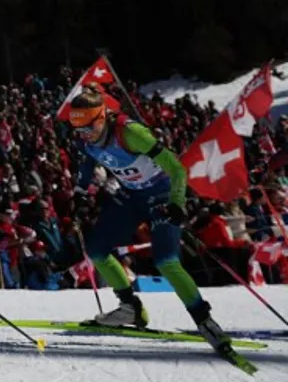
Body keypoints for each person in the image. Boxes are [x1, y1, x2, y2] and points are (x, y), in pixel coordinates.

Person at [64, 84, 233, 356]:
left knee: (166, 260)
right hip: (131, 195)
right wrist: (81, 193)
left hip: (162, 193)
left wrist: (177, 203)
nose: (85, 136)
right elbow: (87, 161)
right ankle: (130, 307)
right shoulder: (86, 137)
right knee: (96, 250)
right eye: (79, 131)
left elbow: (176, 167)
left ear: (101, 117)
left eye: (89, 129)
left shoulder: (130, 133)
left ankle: (205, 320)